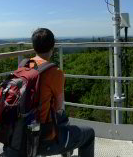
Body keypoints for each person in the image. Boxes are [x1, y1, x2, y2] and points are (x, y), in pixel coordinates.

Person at [25, 28, 95, 156]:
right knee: (89, 133)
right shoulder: (54, 72)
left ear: (34, 47)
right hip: (43, 139)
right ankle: (66, 149)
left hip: (22, 133)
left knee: (61, 119)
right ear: (53, 46)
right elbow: (59, 107)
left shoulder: (24, 66)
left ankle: (67, 149)